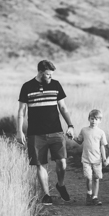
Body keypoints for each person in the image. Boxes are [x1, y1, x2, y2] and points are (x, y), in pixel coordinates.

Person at [17, 59, 75, 205]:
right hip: (36, 133)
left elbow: (63, 108)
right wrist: (19, 131)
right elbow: (21, 111)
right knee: (40, 164)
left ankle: (60, 184)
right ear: (40, 72)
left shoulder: (56, 85)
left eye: (51, 75)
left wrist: (70, 125)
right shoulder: (27, 86)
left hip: (56, 131)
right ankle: (46, 195)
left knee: (62, 162)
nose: (50, 77)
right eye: (48, 74)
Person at [73, 108, 108, 206]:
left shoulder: (101, 132)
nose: (94, 121)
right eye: (92, 118)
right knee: (88, 177)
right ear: (89, 119)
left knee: (96, 178)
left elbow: (102, 146)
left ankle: (95, 197)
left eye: (96, 119)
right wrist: (72, 137)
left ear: (100, 121)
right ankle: (89, 194)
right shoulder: (84, 130)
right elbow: (79, 141)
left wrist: (104, 158)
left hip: (97, 159)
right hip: (86, 159)